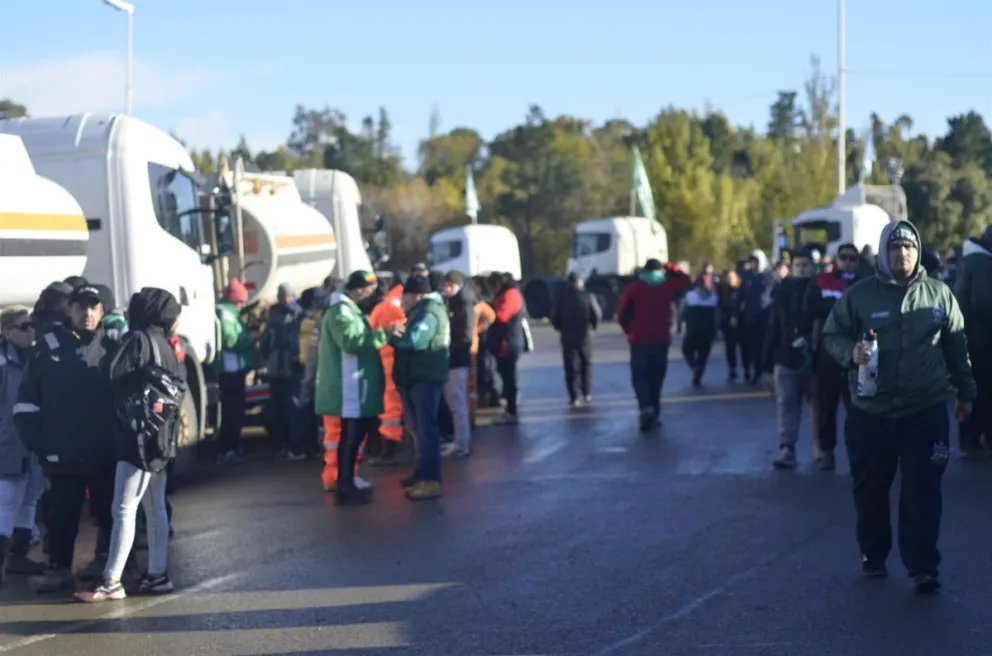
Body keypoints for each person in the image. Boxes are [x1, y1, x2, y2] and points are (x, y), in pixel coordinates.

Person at [822, 220, 976, 594]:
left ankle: (923, 566)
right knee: (871, 489)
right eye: (895, 249)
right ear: (883, 254)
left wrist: (966, 394)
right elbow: (832, 333)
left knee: (923, 490)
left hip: (924, 411)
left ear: (918, 251)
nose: (902, 254)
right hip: (871, 413)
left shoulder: (940, 295)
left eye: (908, 248)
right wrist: (850, 352)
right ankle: (873, 555)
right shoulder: (859, 296)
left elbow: (957, 348)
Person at [77, 288, 184, 602]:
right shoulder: (165, 343)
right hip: (161, 436)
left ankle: (111, 581)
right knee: (154, 509)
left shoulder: (137, 339)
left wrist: (110, 343)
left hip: (137, 437)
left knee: (122, 509)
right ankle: (157, 574)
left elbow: (110, 372)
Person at [14, 284, 120, 593]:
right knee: (61, 517)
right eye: (80, 306)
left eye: (93, 306)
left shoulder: (115, 348)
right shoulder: (46, 349)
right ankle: (60, 569)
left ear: (101, 311)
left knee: (111, 513)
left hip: (104, 453)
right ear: (69, 310)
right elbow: (25, 403)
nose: (86, 313)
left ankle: (114, 566)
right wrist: (38, 445)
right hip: (61, 454)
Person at [315, 271, 401, 505]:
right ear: (360, 289)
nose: (371, 295)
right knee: (350, 437)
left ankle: (348, 480)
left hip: (353, 384)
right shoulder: (341, 312)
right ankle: (345, 484)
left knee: (354, 435)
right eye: (369, 290)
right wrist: (386, 334)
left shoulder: (348, 310)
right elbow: (352, 342)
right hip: (348, 385)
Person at [802, 243, 864, 471]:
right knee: (826, 408)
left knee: (859, 411)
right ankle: (826, 451)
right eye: (844, 257)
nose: (848, 262)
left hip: (858, 359)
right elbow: (811, 310)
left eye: (852, 258)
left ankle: (859, 453)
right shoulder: (821, 281)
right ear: (836, 260)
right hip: (827, 357)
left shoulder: (866, 283)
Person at [616, 258, 691, 432]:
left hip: (639, 340)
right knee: (656, 378)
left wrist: (629, 330)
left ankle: (645, 408)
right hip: (661, 339)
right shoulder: (667, 287)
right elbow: (686, 281)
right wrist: (671, 266)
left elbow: (621, 314)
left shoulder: (634, 288)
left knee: (640, 377)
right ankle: (654, 414)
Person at [393, 275, 450, 501]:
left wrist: (392, 338)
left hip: (424, 377)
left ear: (417, 295)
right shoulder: (421, 311)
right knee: (418, 429)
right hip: (416, 377)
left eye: (404, 297)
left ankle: (431, 480)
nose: (402, 302)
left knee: (427, 430)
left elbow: (417, 341)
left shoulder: (428, 312)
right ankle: (422, 473)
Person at [0, 306, 46, 582]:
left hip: (33, 445)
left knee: (29, 499)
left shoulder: (36, 359)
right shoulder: (4, 365)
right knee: (7, 502)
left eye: (31, 325)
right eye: (23, 327)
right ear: (6, 332)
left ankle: (18, 558)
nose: (30, 331)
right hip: (9, 444)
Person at [764, 250, 815, 469]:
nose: (801, 269)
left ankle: (822, 449)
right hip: (785, 358)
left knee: (818, 407)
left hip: (814, 359)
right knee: (786, 404)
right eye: (798, 265)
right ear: (792, 267)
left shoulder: (819, 290)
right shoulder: (782, 291)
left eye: (805, 265)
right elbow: (773, 327)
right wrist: (767, 362)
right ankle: (787, 448)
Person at [954, 224, 992, 457]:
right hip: (981, 340)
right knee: (982, 392)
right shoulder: (982, 264)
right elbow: (985, 302)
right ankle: (972, 441)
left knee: (974, 391)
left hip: (972, 338)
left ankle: (972, 440)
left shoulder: (973, 260)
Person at [367, 279, 407, 467]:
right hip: (398, 359)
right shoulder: (400, 304)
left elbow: (370, 334)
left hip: (385, 360)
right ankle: (398, 447)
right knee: (397, 405)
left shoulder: (383, 308)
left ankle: (390, 451)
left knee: (390, 406)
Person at [260, 284, 303, 457]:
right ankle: (282, 443)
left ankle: (296, 444)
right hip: (276, 370)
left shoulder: (300, 316)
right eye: (283, 297)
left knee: (294, 409)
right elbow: (265, 342)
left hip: (294, 369)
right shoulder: (274, 317)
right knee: (278, 409)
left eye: (288, 296)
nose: (286, 300)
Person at [215, 279, 255, 464]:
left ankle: (230, 447)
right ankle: (228, 449)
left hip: (232, 370)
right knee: (233, 411)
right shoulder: (226, 313)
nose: (243, 305)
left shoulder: (226, 312)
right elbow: (231, 339)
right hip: (231, 370)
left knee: (233, 411)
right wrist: (250, 338)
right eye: (242, 301)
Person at [439, 271, 476, 458]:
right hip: (452, 359)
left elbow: (466, 336)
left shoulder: (464, 305)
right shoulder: (453, 302)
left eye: (449, 286)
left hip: (457, 359)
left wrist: (448, 346)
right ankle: (459, 441)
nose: (446, 289)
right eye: (444, 285)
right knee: (453, 400)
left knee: (457, 401)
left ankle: (462, 443)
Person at [551, 273, 601, 406]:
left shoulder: (561, 298)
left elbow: (555, 319)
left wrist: (560, 328)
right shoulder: (588, 296)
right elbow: (596, 315)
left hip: (568, 337)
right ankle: (587, 393)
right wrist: (593, 329)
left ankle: (574, 396)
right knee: (586, 365)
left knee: (571, 368)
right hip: (585, 337)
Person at [486, 272, 525, 424]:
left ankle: (511, 411)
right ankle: (510, 408)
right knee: (506, 376)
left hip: (508, 343)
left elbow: (502, 316)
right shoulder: (509, 294)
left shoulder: (510, 295)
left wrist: (489, 312)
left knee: (509, 377)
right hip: (506, 342)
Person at [734, 250, 778, 385]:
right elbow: (738, 298)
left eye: (756, 261)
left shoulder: (771, 277)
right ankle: (752, 369)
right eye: (752, 261)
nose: (754, 264)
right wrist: (734, 315)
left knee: (764, 346)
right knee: (750, 346)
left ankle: (763, 371)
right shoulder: (747, 278)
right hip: (750, 318)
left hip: (766, 318)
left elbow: (780, 294)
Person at [681, 273, 719, 387]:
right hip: (708, 331)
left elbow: (682, 311)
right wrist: (716, 330)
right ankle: (699, 371)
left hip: (692, 329)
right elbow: (717, 315)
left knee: (687, 350)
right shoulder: (714, 297)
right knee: (704, 354)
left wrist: (679, 324)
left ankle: (694, 366)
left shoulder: (690, 296)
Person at [717, 270, 742, 381]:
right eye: (728, 278)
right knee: (730, 347)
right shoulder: (722, 290)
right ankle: (732, 368)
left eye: (732, 278)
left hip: (741, 320)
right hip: (727, 321)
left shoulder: (740, 289)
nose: (730, 280)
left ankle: (746, 367)